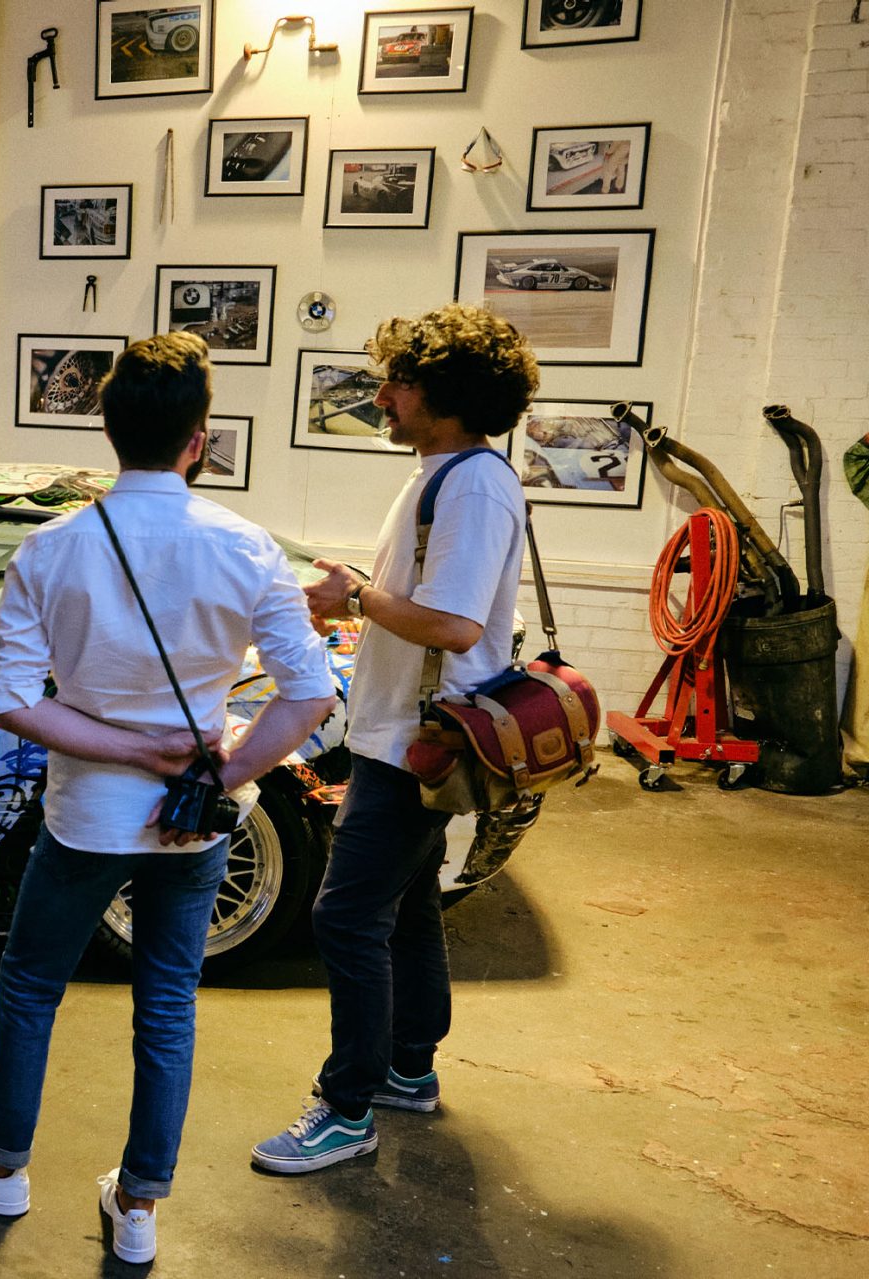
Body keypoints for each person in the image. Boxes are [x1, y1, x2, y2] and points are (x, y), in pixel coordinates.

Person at [0, 332, 338, 1264]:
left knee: (29, 988)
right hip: (194, 823)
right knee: (168, 1003)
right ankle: (138, 1206)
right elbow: (309, 694)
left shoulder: (52, 550)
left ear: (108, 428)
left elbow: (16, 701)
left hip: (85, 819)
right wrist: (216, 771)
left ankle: (3, 1169)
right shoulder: (246, 545)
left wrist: (129, 746)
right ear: (201, 439)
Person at [253, 303, 538, 1174]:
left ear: (442, 394)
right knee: (406, 909)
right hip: (404, 731)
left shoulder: (474, 485)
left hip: (418, 742)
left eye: (398, 381)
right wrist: (365, 592)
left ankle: (346, 1108)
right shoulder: (445, 473)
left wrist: (354, 599)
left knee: (343, 915)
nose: (381, 395)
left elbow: (453, 624)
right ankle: (408, 1069)